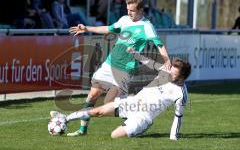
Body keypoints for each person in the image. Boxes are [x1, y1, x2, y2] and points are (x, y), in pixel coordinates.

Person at [67, 0, 171, 137]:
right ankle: (82, 130)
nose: (129, 13)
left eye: (132, 11)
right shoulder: (124, 20)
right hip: (109, 65)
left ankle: (140, 120)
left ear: (141, 10)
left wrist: (167, 61)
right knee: (92, 96)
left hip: (124, 71)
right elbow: (108, 28)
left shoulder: (147, 27)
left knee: (110, 103)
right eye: (128, 10)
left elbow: (159, 45)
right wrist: (87, 28)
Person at [50, 50, 191, 140]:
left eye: (174, 73)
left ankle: (137, 129)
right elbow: (149, 62)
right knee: (97, 111)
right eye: (171, 70)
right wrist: (135, 54)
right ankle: (65, 119)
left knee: (114, 136)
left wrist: (173, 138)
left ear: (182, 77)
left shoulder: (181, 93)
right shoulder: (165, 72)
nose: (169, 74)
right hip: (132, 103)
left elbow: (178, 117)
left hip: (143, 116)